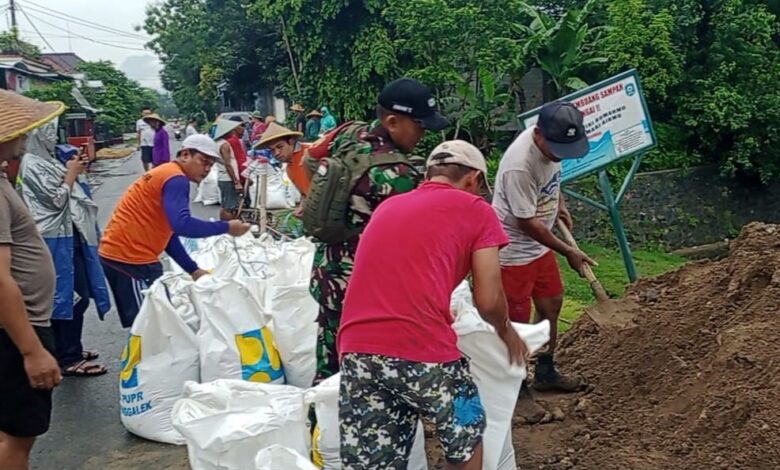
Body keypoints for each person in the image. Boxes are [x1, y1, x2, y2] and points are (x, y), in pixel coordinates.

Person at [338, 140, 528, 469]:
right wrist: (507, 332)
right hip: (420, 348)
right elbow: (488, 300)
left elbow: (397, 275)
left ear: (428, 175)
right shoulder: (477, 209)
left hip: (357, 351)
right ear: (473, 179)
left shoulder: (388, 207)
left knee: (376, 460)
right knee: (466, 432)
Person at [309, 77, 449, 386]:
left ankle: (319, 413)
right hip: (362, 289)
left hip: (328, 271)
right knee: (361, 376)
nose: (423, 134)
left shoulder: (350, 133)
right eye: (419, 126)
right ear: (392, 122)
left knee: (329, 362)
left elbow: (311, 160)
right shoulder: (397, 175)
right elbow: (413, 243)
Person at [493, 100, 595, 411]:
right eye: (557, 149)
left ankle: (546, 371)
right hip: (513, 251)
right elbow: (526, 222)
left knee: (551, 303)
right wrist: (569, 251)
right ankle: (516, 387)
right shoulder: (519, 165)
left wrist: (558, 203)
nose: (560, 154)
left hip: (540, 246)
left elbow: (552, 175)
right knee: (516, 321)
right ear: (538, 135)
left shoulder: (554, 143)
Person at [99, 134, 251, 328]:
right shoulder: (176, 179)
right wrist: (227, 227)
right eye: (203, 161)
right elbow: (182, 225)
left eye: (211, 165)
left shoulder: (167, 173)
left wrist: (193, 269)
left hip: (129, 255)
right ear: (185, 155)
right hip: (128, 259)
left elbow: (169, 233)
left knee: (158, 319)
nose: (206, 169)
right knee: (146, 325)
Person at [17, 120, 112, 377]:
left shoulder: (47, 160)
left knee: (73, 295)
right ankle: (68, 357)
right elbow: (57, 200)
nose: (55, 136)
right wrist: (70, 174)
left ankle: (69, 349)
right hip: (55, 239)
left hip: (70, 236)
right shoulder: (32, 164)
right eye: (50, 131)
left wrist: (75, 170)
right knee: (70, 297)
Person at [0, 89, 64, 470]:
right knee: (17, 439)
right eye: (18, 130)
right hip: (16, 329)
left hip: (14, 328)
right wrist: (32, 350)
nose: (25, 136)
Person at [254, 122, 310, 196]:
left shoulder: (310, 153)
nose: (276, 153)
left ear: (291, 141)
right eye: (272, 150)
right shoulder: (288, 167)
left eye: (280, 147)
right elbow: (304, 194)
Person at [213, 119, 244, 220]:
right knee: (230, 207)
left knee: (225, 205)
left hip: (222, 177)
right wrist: (236, 181)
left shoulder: (217, 143)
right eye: (231, 131)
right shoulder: (224, 145)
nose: (233, 132)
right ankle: (229, 226)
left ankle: (223, 225)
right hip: (228, 178)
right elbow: (228, 164)